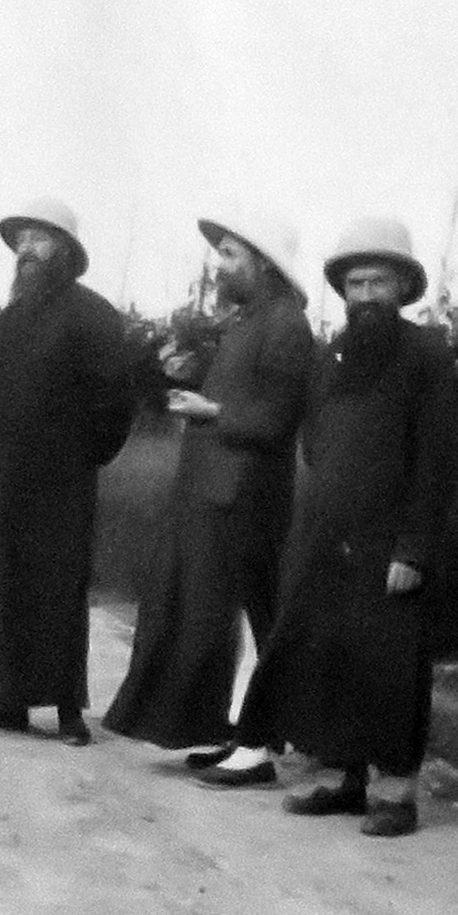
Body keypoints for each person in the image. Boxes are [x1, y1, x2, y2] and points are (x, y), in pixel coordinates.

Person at [199, 217, 458, 837]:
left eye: (379, 282)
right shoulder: (332, 355)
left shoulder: (426, 354)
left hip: (390, 542)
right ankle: (349, 782)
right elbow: (315, 441)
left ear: (403, 286)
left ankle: (396, 796)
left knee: (391, 667)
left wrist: (413, 549)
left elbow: (438, 461)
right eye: (355, 283)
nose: (365, 294)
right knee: (336, 660)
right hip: (327, 536)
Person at [103, 210, 313, 764]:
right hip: (217, 492)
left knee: (239, 616)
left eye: (230, 254)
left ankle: (255, 742)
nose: (219, 265)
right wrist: (191, 380)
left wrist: (211, 411)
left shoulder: (287, 324)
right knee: (208, 618)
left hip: (246, 497)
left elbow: (277, 419)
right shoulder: (252, 320)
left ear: (264, 263)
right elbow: (245, 397)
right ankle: (230, 733)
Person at [0, 198, 134, 745]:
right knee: (2, 588)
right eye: (21, 240)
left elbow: (115, 403)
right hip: (6, 478)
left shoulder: (94, 316)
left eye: (39, 238)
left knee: (57, 590)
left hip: (62, 482)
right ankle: (2, 704)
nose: (26, 249)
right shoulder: (13, 316)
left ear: (66, 249)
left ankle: (67, 712)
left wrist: (82, 457)